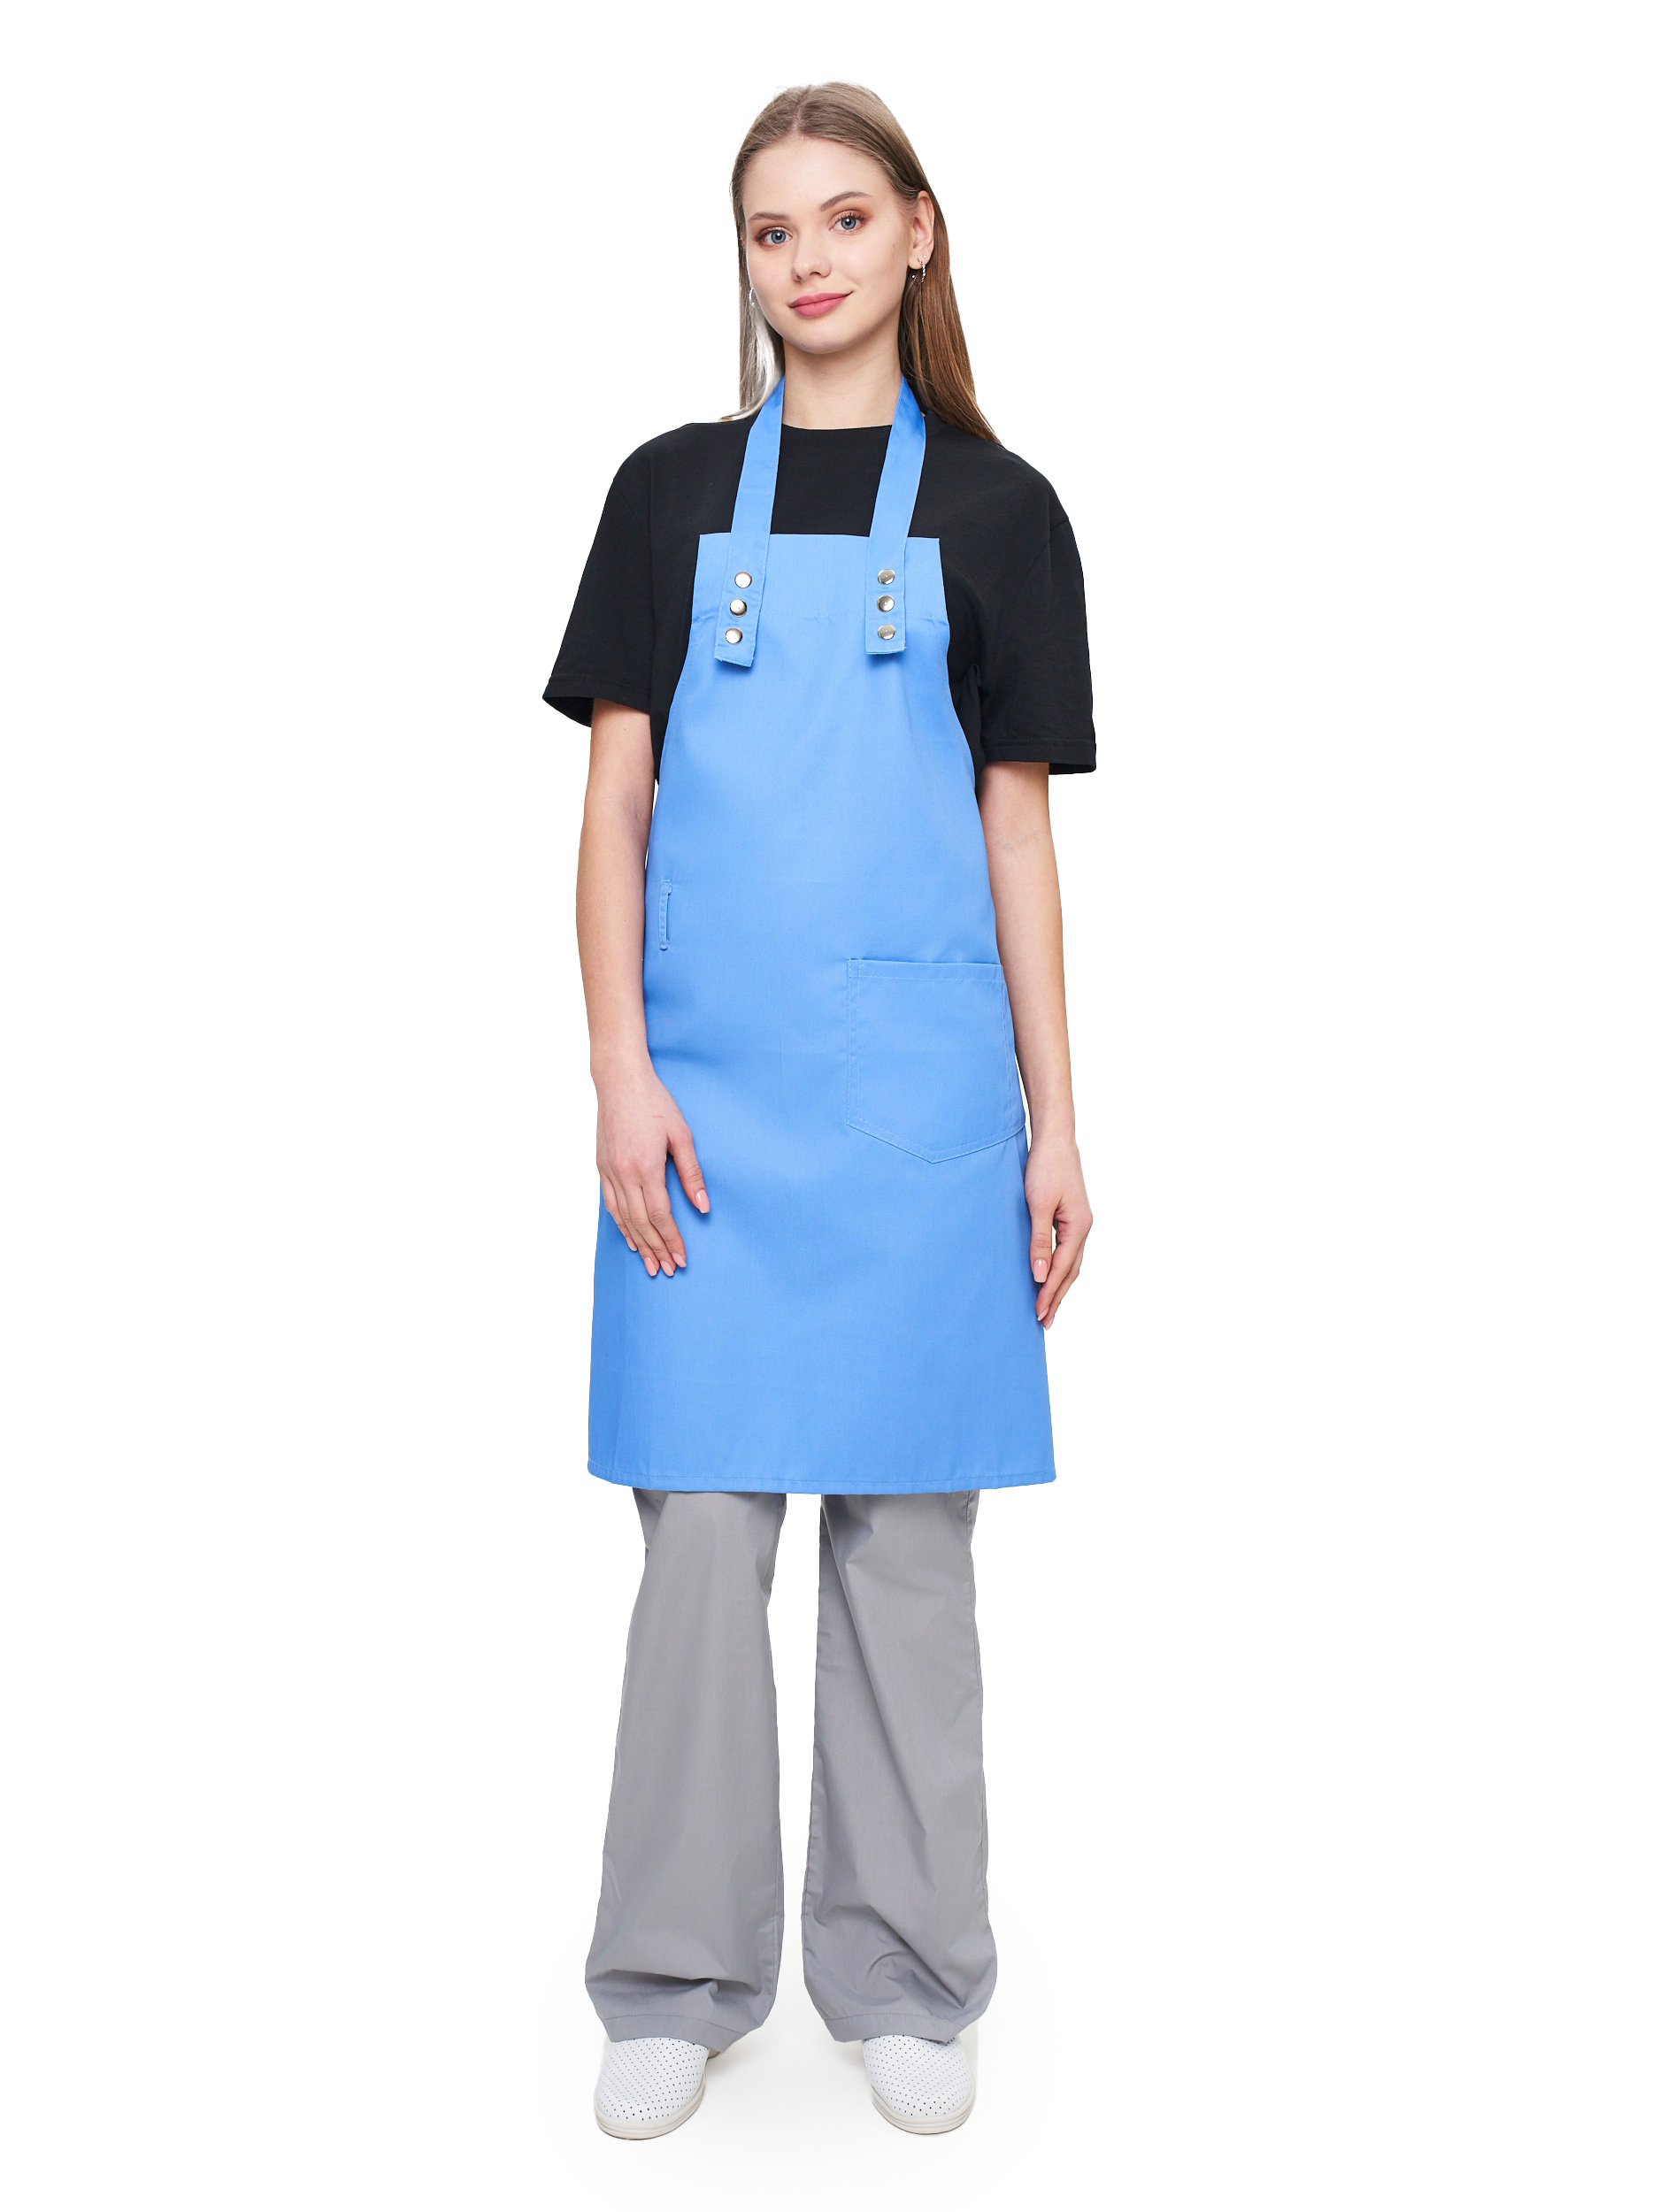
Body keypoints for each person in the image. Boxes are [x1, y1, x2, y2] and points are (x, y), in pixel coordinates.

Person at [545, 81, 1095, 2139]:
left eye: (844, 218)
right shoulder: (666, 493)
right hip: (702, 1114)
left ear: (916, 233)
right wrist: (617, 1068)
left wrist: (1055, 1119)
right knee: (698, 1538)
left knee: (904, 1541)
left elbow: (1014, 834)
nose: (807, 260)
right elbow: (612, 813)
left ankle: (905, 1968)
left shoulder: (1002, 512)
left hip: (918, 1113)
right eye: (772, 228)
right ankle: (674, 1972)